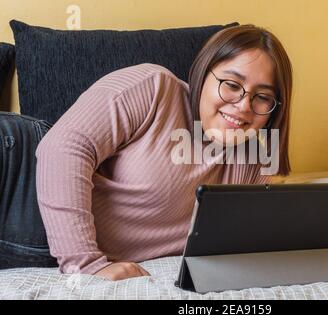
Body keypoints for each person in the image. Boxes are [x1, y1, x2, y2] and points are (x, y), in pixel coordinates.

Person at [0, 24, 293, 281]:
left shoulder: (254, 162)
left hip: (27, 246)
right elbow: (61, 147)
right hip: (18, 173)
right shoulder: (154, 88)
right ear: (204, 73)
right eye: (231, 85)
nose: (243, 106)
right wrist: (86, 263)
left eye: (262, 97)